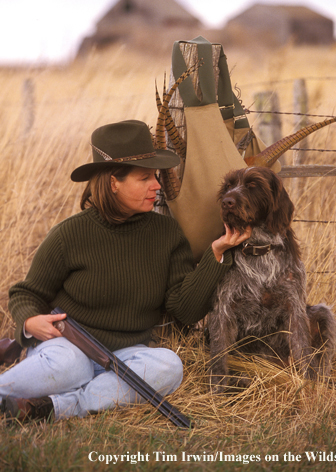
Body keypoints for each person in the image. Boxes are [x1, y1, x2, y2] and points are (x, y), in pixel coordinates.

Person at [0, 120, 251, 423]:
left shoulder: (167, 234)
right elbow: (26, 292)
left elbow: (184, 310)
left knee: (169, 367)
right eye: (144, 178)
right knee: (73, 366)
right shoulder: (70, 234)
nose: (156, 185)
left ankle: (54, 407)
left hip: (126, 355)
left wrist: (216, 254)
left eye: (156, 177)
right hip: (67, 348)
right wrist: (30, 321)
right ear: (113, 182)